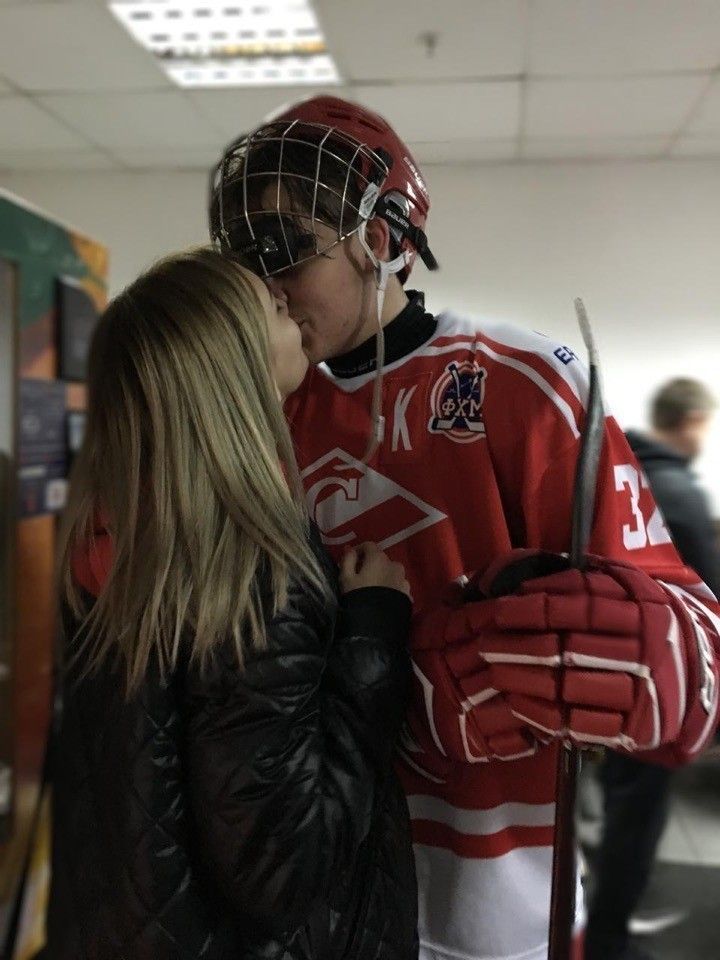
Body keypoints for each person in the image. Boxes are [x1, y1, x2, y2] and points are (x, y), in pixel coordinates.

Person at [209, 96, 720, 960]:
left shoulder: (519, 379)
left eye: (283, 250)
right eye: (242, 259)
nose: (264, 287)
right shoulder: (254, 410)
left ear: (379, 239)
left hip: (491, 901)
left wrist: (651, 653)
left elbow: (686, 645)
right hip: (308, 883)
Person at [48, 248, 418, 960]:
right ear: (236, 364)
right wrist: (372, 632)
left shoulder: (119, 534)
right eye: (275, 309)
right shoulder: (251, 570)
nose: (293, 306)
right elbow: (284, 870)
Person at [586, 377, 720, 960]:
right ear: (690, 421)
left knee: (624, 802)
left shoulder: (622, 474)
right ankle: (608, 937)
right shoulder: (683, 496)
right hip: (667, 684)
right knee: (637, 816)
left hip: (619, 670)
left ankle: (602, 919)